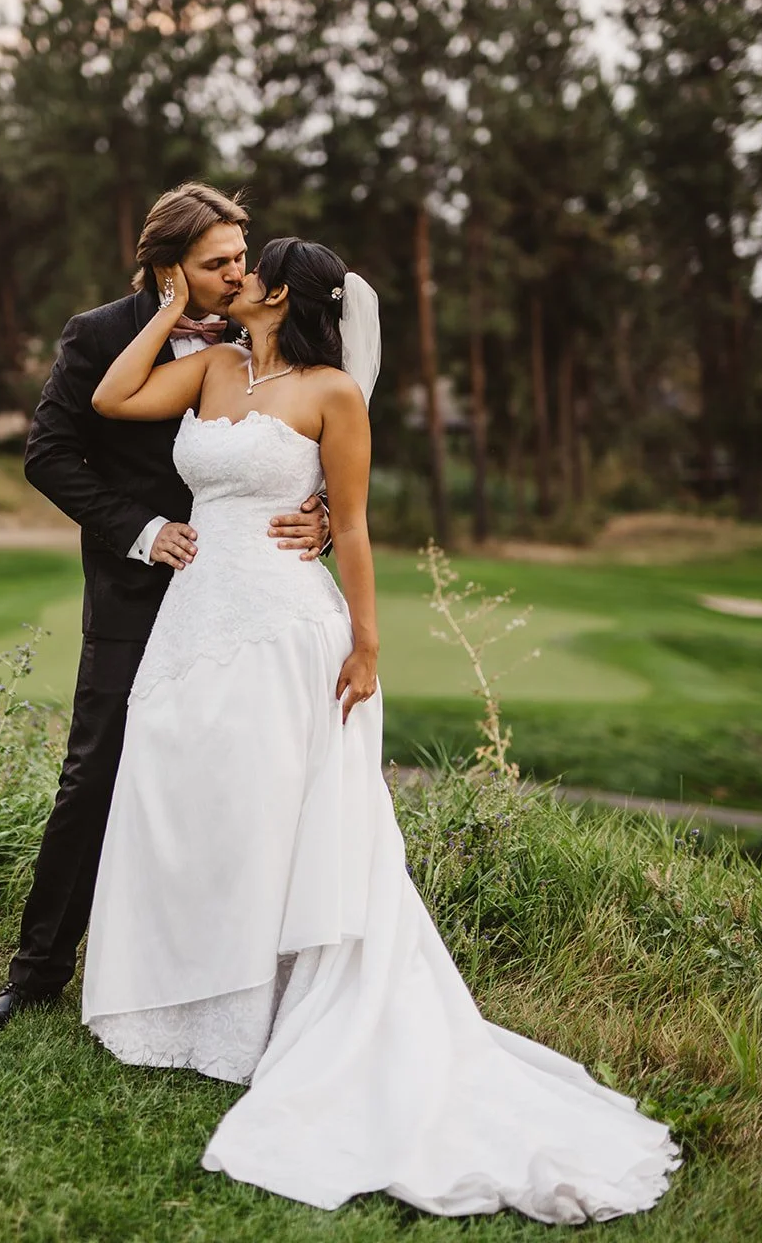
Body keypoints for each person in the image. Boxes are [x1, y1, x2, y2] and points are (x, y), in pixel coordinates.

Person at [79, 236, 681, 1223]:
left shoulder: (332, 394)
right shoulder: (210, 365)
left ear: (276, 290)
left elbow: (350, 525)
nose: (230, 280)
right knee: (184, 806)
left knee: (269, 815)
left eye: (245, 270)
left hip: (284, 628)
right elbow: (111, 399)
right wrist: (163, 307)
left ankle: (260, 1023)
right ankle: (178, 1012)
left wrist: (366, 646)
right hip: (195, 620)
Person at [0, 186, 328, 1029]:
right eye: (219, 262)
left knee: (238, 783)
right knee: (95, 773)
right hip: (138, 587)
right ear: (169, 268)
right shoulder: (97, 335)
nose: (241, 271)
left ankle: (214, 980)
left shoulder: (264, 325)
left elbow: (324, 427)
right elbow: (49, 454)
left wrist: (317, 513)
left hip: (247, 597)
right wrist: (144, 529)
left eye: (242, 255)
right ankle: (36, 974)